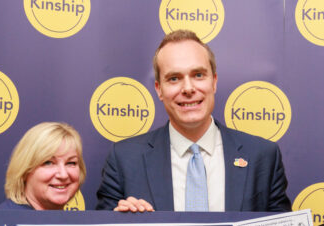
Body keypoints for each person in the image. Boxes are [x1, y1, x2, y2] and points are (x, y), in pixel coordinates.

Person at [95, 29, 291, 213]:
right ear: (159, 89)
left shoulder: (263, 157)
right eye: (174, 78)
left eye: (198, 75)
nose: (188, 88)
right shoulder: (124, 160)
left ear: (213, 81)